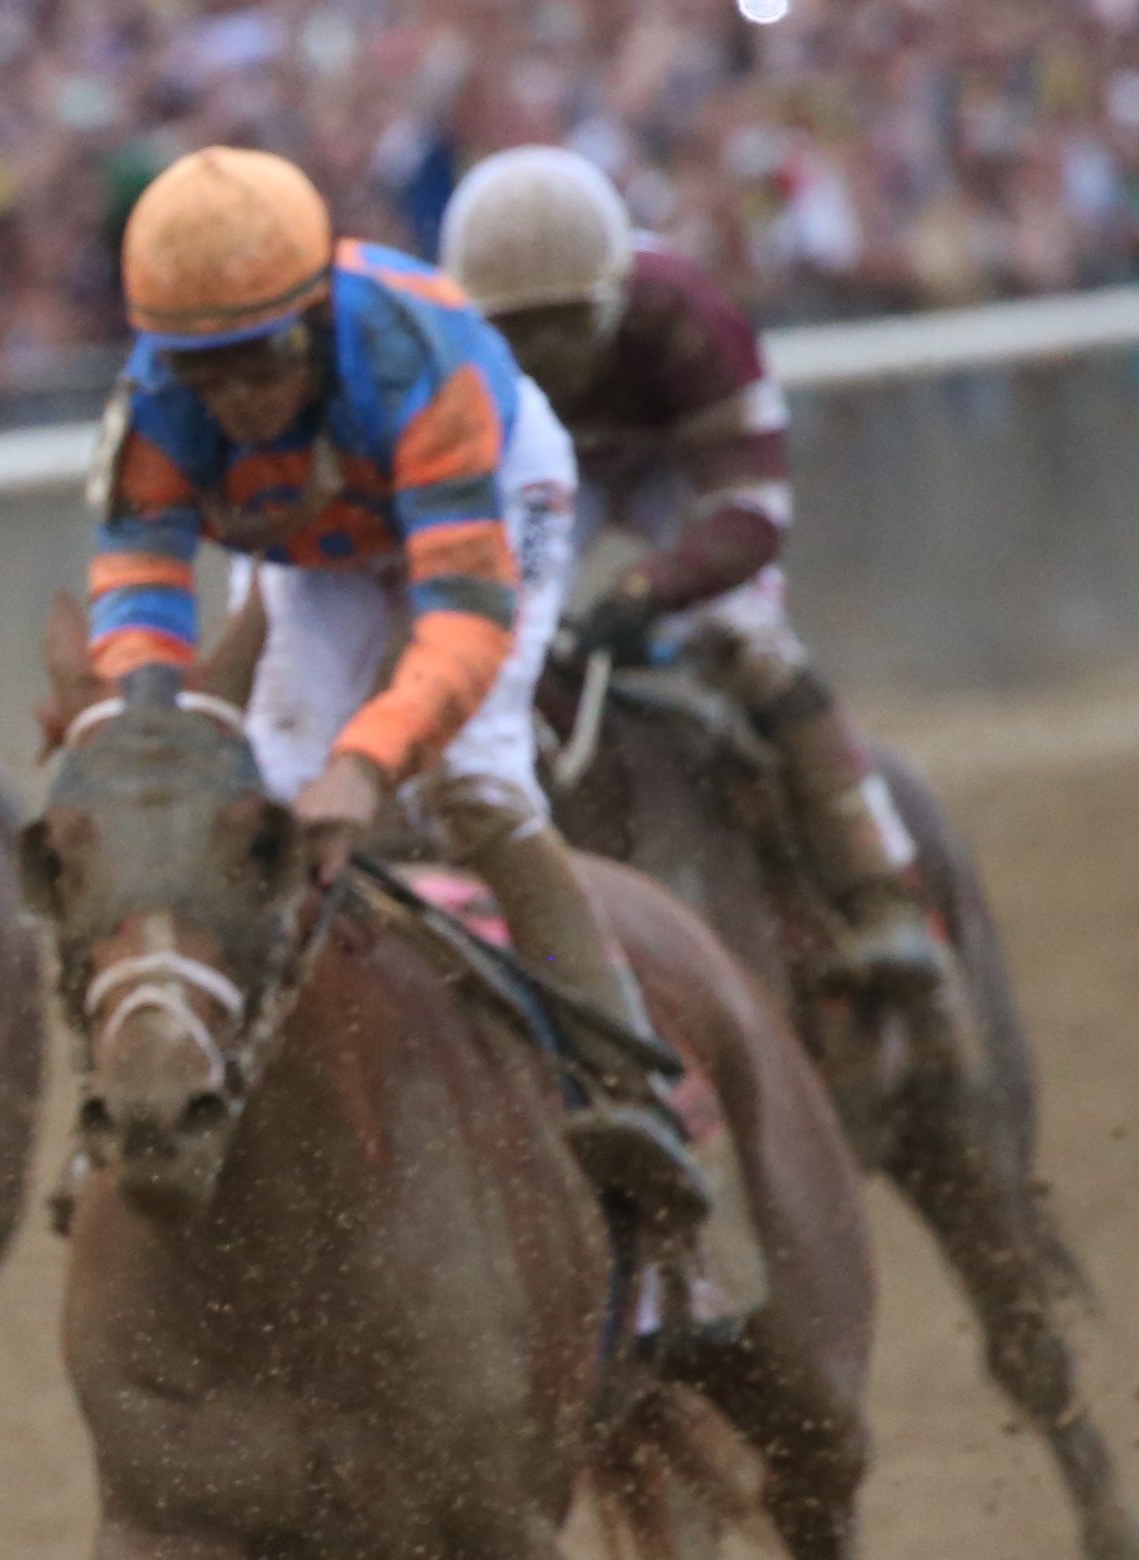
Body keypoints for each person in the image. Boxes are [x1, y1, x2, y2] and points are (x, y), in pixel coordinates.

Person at [79, 146, 713, 1229]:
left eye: (260, 362)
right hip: (318, 542)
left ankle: (626, 1082)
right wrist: (147, 725)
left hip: (490, 495)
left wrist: (367, 764)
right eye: (206, 374)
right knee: (266, 791)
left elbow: (460, 619)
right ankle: (214, 1082)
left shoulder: (414, 355)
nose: (236, 401)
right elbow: (139, 587)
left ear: (314, 318)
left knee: (473, 777)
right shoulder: (155, 399)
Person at [440, 145, 951, 997]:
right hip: (543, 474)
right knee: (486, 649)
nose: (548, 358)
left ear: (618, 296)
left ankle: (879, 885)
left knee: (747, 637)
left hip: (670, 465)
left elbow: (752, 512)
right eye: (519, 334)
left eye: (566, 326)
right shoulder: (442, 352)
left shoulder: (690, 317)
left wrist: (647, 593)